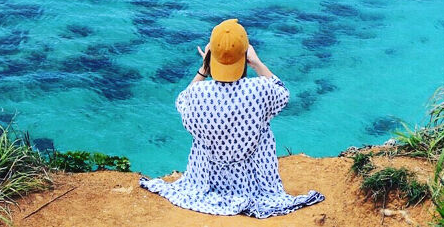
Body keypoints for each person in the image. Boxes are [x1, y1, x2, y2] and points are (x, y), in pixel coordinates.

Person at [139, 18, 324, 218]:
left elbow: (181, 101)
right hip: (251, 182)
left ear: (211, 55)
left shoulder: (198, 93)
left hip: (209, 179)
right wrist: (256, 63)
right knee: (262, 125)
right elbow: (283, 93)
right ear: (246, 54)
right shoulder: (259, 89)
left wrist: (204, 68)